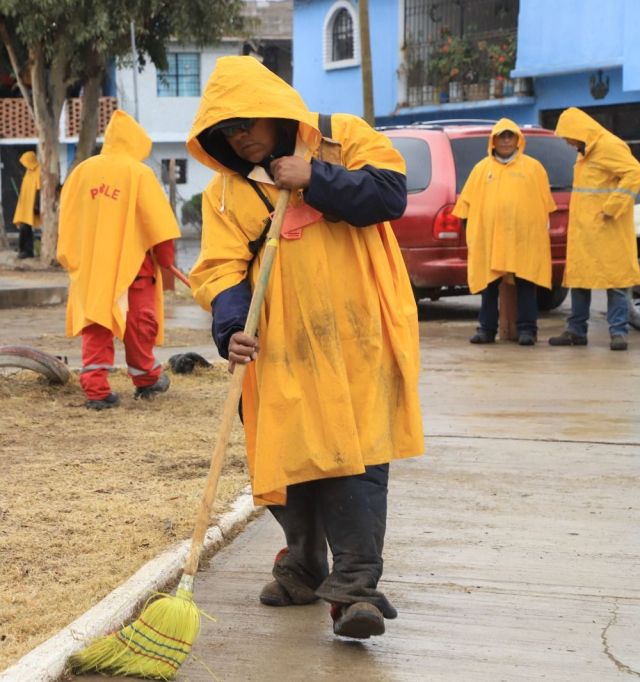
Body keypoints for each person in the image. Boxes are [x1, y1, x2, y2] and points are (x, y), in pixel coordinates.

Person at [187, 56, 424, 639]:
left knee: (357, 457)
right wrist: (230, 325)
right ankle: (303, 565)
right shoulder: (223, 194)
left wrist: (314, 178)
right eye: (224, 133)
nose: (237, 138)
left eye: (244, 123)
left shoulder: (344, 140)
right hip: (281, 347)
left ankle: (355, 589)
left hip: (358, 335)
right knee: (288, 459)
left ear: (274, 110)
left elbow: (390, 196)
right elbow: (220, 269)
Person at [57, 110, 180, 410]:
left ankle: (96, 390)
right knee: (140, 325)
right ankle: (146, 379)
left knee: (97, 324)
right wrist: (166, 262)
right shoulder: (138, 173)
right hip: (133, 269)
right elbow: (159, 226)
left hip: (92, 268)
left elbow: (67, 220)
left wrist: (74, 261)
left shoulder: (81, 172)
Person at [453, 119, 557, 346]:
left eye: (511, 136)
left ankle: (527, 330)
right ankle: (487, 329)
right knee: (489, 286)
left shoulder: (533, 168)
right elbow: (466, 205)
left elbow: (544, 205)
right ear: (494, 140)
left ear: (518, 139)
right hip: (491, 239)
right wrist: (472, 234)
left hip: (523, 239)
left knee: (526, 283)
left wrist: (542, 230)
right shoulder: (481, 170)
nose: (507, 140)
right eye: (502, 136)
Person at [549, 107, 640, 351]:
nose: (567, 142)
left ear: (578, 131)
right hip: (585, 232)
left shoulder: (609, 146)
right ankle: (576, 331)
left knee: (616, 282)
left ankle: (618, 333)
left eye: (568, 136)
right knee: (580, 281)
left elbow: (634, 173)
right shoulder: (585, 151)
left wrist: (613, 207)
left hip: (608, 228)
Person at [13, 150, 41, 259]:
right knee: (24, 228)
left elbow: (39, 189)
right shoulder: (28, 171)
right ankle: (25, 251)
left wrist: (37, 205)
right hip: (24, 205)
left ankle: (26, 251)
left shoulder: (38, 171)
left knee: (25, 228)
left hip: (32, 206)